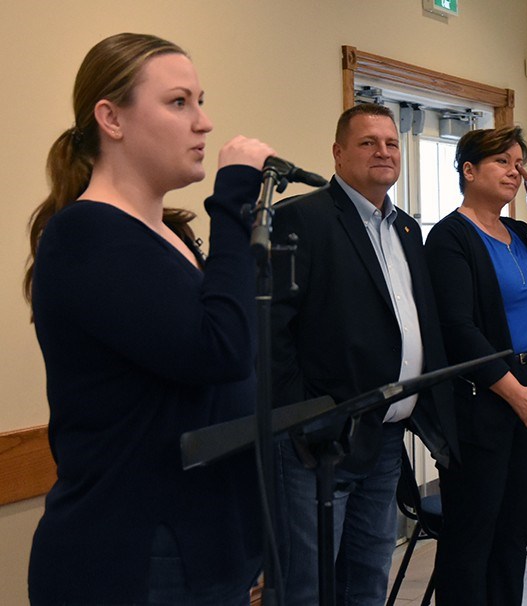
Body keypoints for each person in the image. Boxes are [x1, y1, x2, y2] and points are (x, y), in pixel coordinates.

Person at [23, 33, 276, 605]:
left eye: (201, 100)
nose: (204, 123)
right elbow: (220, 350)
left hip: (205, 539)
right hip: (134, 554)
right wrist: (235, 199)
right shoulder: (86, 235)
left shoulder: (173, 234)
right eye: (179, 102)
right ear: (111, 118)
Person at [269, 103, 458, 605]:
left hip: (386, 439)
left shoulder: (407, 229)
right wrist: (303, 418)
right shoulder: (300, 220)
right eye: (368, 142)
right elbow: (272, 336)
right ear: (337, 153)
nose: (384, 152)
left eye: (392, 143)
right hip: (319, 445)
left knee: (369, 576)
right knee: (306, 586)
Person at [425, 126, 527, 604]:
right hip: (484, 396)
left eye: (520, 163)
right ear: (468, 171)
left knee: (514, 528)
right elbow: (457, 327)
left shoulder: (519, 231)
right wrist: (512, 391)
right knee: (474, 532)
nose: (515, 170)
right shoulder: (450, 236)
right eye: (502, 162)